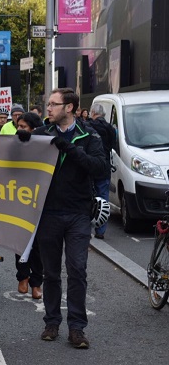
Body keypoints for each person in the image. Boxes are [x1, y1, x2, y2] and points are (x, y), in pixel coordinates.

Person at [31, 88, 108, 349]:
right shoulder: (41, 134)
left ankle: (77, 328)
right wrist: (19, 143)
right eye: (48, 104)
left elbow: (99, 168)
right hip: (48, 213)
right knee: (50, 273)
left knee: (77, 270)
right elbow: (21, 165)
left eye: (53, 104)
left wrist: (71, 149)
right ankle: (51, 322)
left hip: (77, 213)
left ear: (70, 108)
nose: (48, 109)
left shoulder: (90, 136)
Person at [14, 111, 44, 299]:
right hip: (19, 196)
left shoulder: (44, 145)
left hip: (40, 197)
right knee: (21, 239)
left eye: (23, 127)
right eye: (18, 126)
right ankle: (22, 277)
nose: (19, 130)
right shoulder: (13, 144)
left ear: (33, 129)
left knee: (39, 244)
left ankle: (37, 282)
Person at [88, 103, 116, 239]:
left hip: (91, 165)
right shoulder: (110, 128)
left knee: (88, 196)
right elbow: (112, 145)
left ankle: (86, 227)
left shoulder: (89, 126)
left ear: (93, 112)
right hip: (105, 166)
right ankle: (101, 230)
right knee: (103, 198)